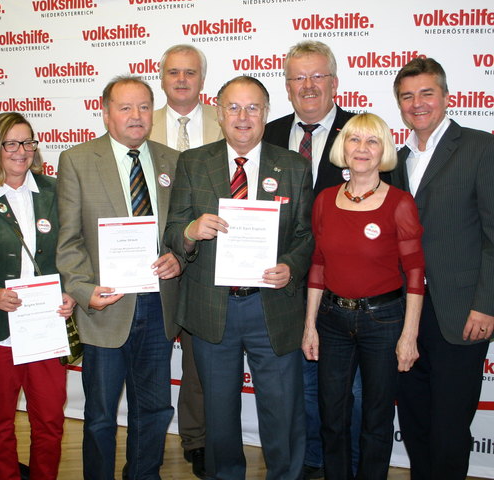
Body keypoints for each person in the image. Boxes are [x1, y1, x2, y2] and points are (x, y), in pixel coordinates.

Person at [164, 75, 313, 480]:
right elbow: (173, 230)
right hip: (213, 308)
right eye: (234, 107)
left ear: (266, 113)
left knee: (283, 410)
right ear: (218, 112)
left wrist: (292, 266)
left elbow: (305, 234)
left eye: (253, 108)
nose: (243, 117)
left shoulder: (295, 166)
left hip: (273, 306)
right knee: (219, 411)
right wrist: (191, 231)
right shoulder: (194, 162)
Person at [56, 76, 181, 480]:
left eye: (144, 106)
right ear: (106, 111)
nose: (136, 116)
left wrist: (178, 257)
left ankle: (143, 475)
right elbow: (69, 239)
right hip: (104, 307)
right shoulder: (76, 160)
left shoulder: (171, 160)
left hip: (158, 304)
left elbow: (180, 230)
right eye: (125, 107)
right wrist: (82, 288)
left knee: (155, 408)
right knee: (100, 416)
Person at [263, 40, 367, 479]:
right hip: (287, 287)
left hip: (348, 289)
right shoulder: (267, 134)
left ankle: (352, 466)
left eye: (317, 76)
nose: (308, 86)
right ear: (286, 87)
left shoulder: (361, 132)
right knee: (303, 386)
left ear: (335, 83)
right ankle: (313, 461)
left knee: (352, 391)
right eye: (298, 78)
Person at [302, 113, 424, 479]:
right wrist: (310, 326)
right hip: (332, 320)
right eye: (355, 139)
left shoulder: (400, 203)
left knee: (376, 418)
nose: (362, 149)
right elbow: (318, 266)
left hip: (383, 322)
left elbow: (416, 274)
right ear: (344, 146)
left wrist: (409, 334)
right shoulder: (324, 200)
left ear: (384, 150)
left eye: (372, 141)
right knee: (332, 416)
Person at [390, 57, 494, 480]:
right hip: (405, 312)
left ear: (446, 97)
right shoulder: (395, 160)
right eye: (407, 96)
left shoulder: (480, 148)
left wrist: (486, 305)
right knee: (414, 418)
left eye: (426, 93)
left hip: (461, 312)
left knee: (450, 426)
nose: (417, 104)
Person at [0, 112, 70, 480]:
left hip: (45, 329)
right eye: (11, 143)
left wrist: (70, 293)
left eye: (28, 143)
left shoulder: (55, 191)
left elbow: (72, 253)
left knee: (51, 421)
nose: (21, 151)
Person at [149, 43, 222, 479]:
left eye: (190, 73)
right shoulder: (140, 123)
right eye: (173, 72)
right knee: (153, 359)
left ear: (202, 79)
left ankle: (197, 439)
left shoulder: (226, 121)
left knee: (201, 361)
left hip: (209, 258)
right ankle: (150, 441)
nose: (181, 79)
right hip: (154, 260)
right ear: (161, 78)